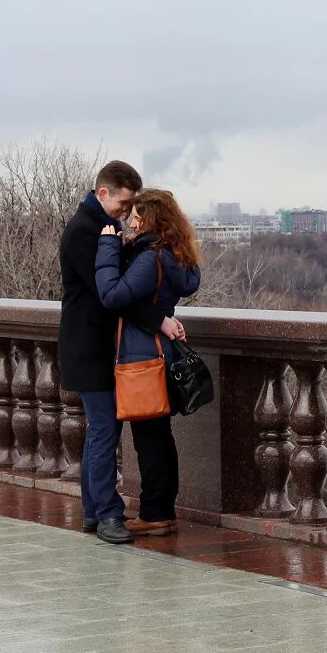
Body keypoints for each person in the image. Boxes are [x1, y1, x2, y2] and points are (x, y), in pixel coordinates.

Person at [58, 161, 185, 545]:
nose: (127, 213)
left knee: (102, 432)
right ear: (103, 193)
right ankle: (107, 515)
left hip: (101, 348)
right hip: (90, 348)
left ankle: (95, 513)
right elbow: (110, 297)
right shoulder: (86, 231)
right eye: (123, 204)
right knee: (103, 431)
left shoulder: (102, 228)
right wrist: (159, 320)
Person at [94, 188, 201, 537]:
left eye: (137, 215)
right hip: (160, 353)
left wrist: (110, 248)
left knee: (149, 438)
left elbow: (112, 295)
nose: (131, 221)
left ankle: (155, 512)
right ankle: (161, 509)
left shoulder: (150, 258)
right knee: (159, 435)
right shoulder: (173, 254)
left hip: (142, 358)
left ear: (150, 219)